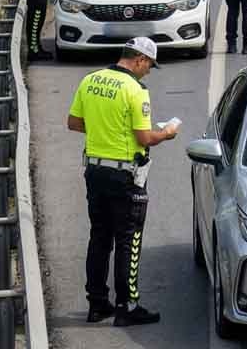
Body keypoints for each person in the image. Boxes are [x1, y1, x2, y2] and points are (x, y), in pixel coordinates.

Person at [66, 37, 179, 326]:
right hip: (126, 175)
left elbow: (74, 123)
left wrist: (105, 129)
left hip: (94, 171)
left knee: (99, 237)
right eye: (149, 66)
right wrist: (166, 133)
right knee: (129, 239)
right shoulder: (135, 90)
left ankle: (97, 304)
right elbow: (144, 138)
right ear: (140, 60)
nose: (149, 72)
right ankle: (127, 306)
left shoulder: (90, 80)